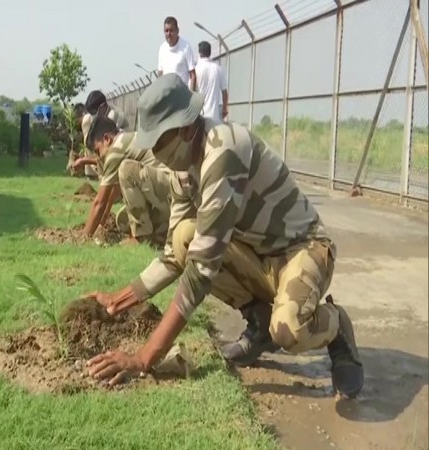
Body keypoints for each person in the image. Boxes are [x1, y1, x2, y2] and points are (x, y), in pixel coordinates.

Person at [85, 74, 364, 399]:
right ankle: (259, 324)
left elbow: (201, 272)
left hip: (302, 250)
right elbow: (175, 255)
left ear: (186, 129)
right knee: (187, 237)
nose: (154, 154)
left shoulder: (222, 153)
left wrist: (143, 359)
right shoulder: (182, 166)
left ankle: (336, 327)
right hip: (257, 254)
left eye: (158, 143)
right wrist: (117, 300)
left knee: (289, 329)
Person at [79, 114, 172, 247]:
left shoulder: (116, 150)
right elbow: (113, 192)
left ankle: (140, 237)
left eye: (98, 151)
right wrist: (102, 222)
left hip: (173, 192)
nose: (99, 157)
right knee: (122, 219)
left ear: (106, 139)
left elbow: (100, 201)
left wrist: (84, 237)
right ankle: (160, 234)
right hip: (166, 191)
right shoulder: (126, 141)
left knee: (127, 170)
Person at [157, 16, 197, 91]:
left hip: (181, 95)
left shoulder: (186, 47)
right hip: (167, 95)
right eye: (166, 31)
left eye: (171, 30)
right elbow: (160, 74)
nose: (169, 33)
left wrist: (191, 96)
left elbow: (193, 75)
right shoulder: (162, 49)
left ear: (177, 31)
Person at [195, 40, 228, 122]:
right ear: (210, 53)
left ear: (200, 54)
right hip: (215, 118)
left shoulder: (195, 70)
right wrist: (224, 109)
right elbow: (224, 92)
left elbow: (190, 91)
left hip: (199, 119)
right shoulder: (217, 69)